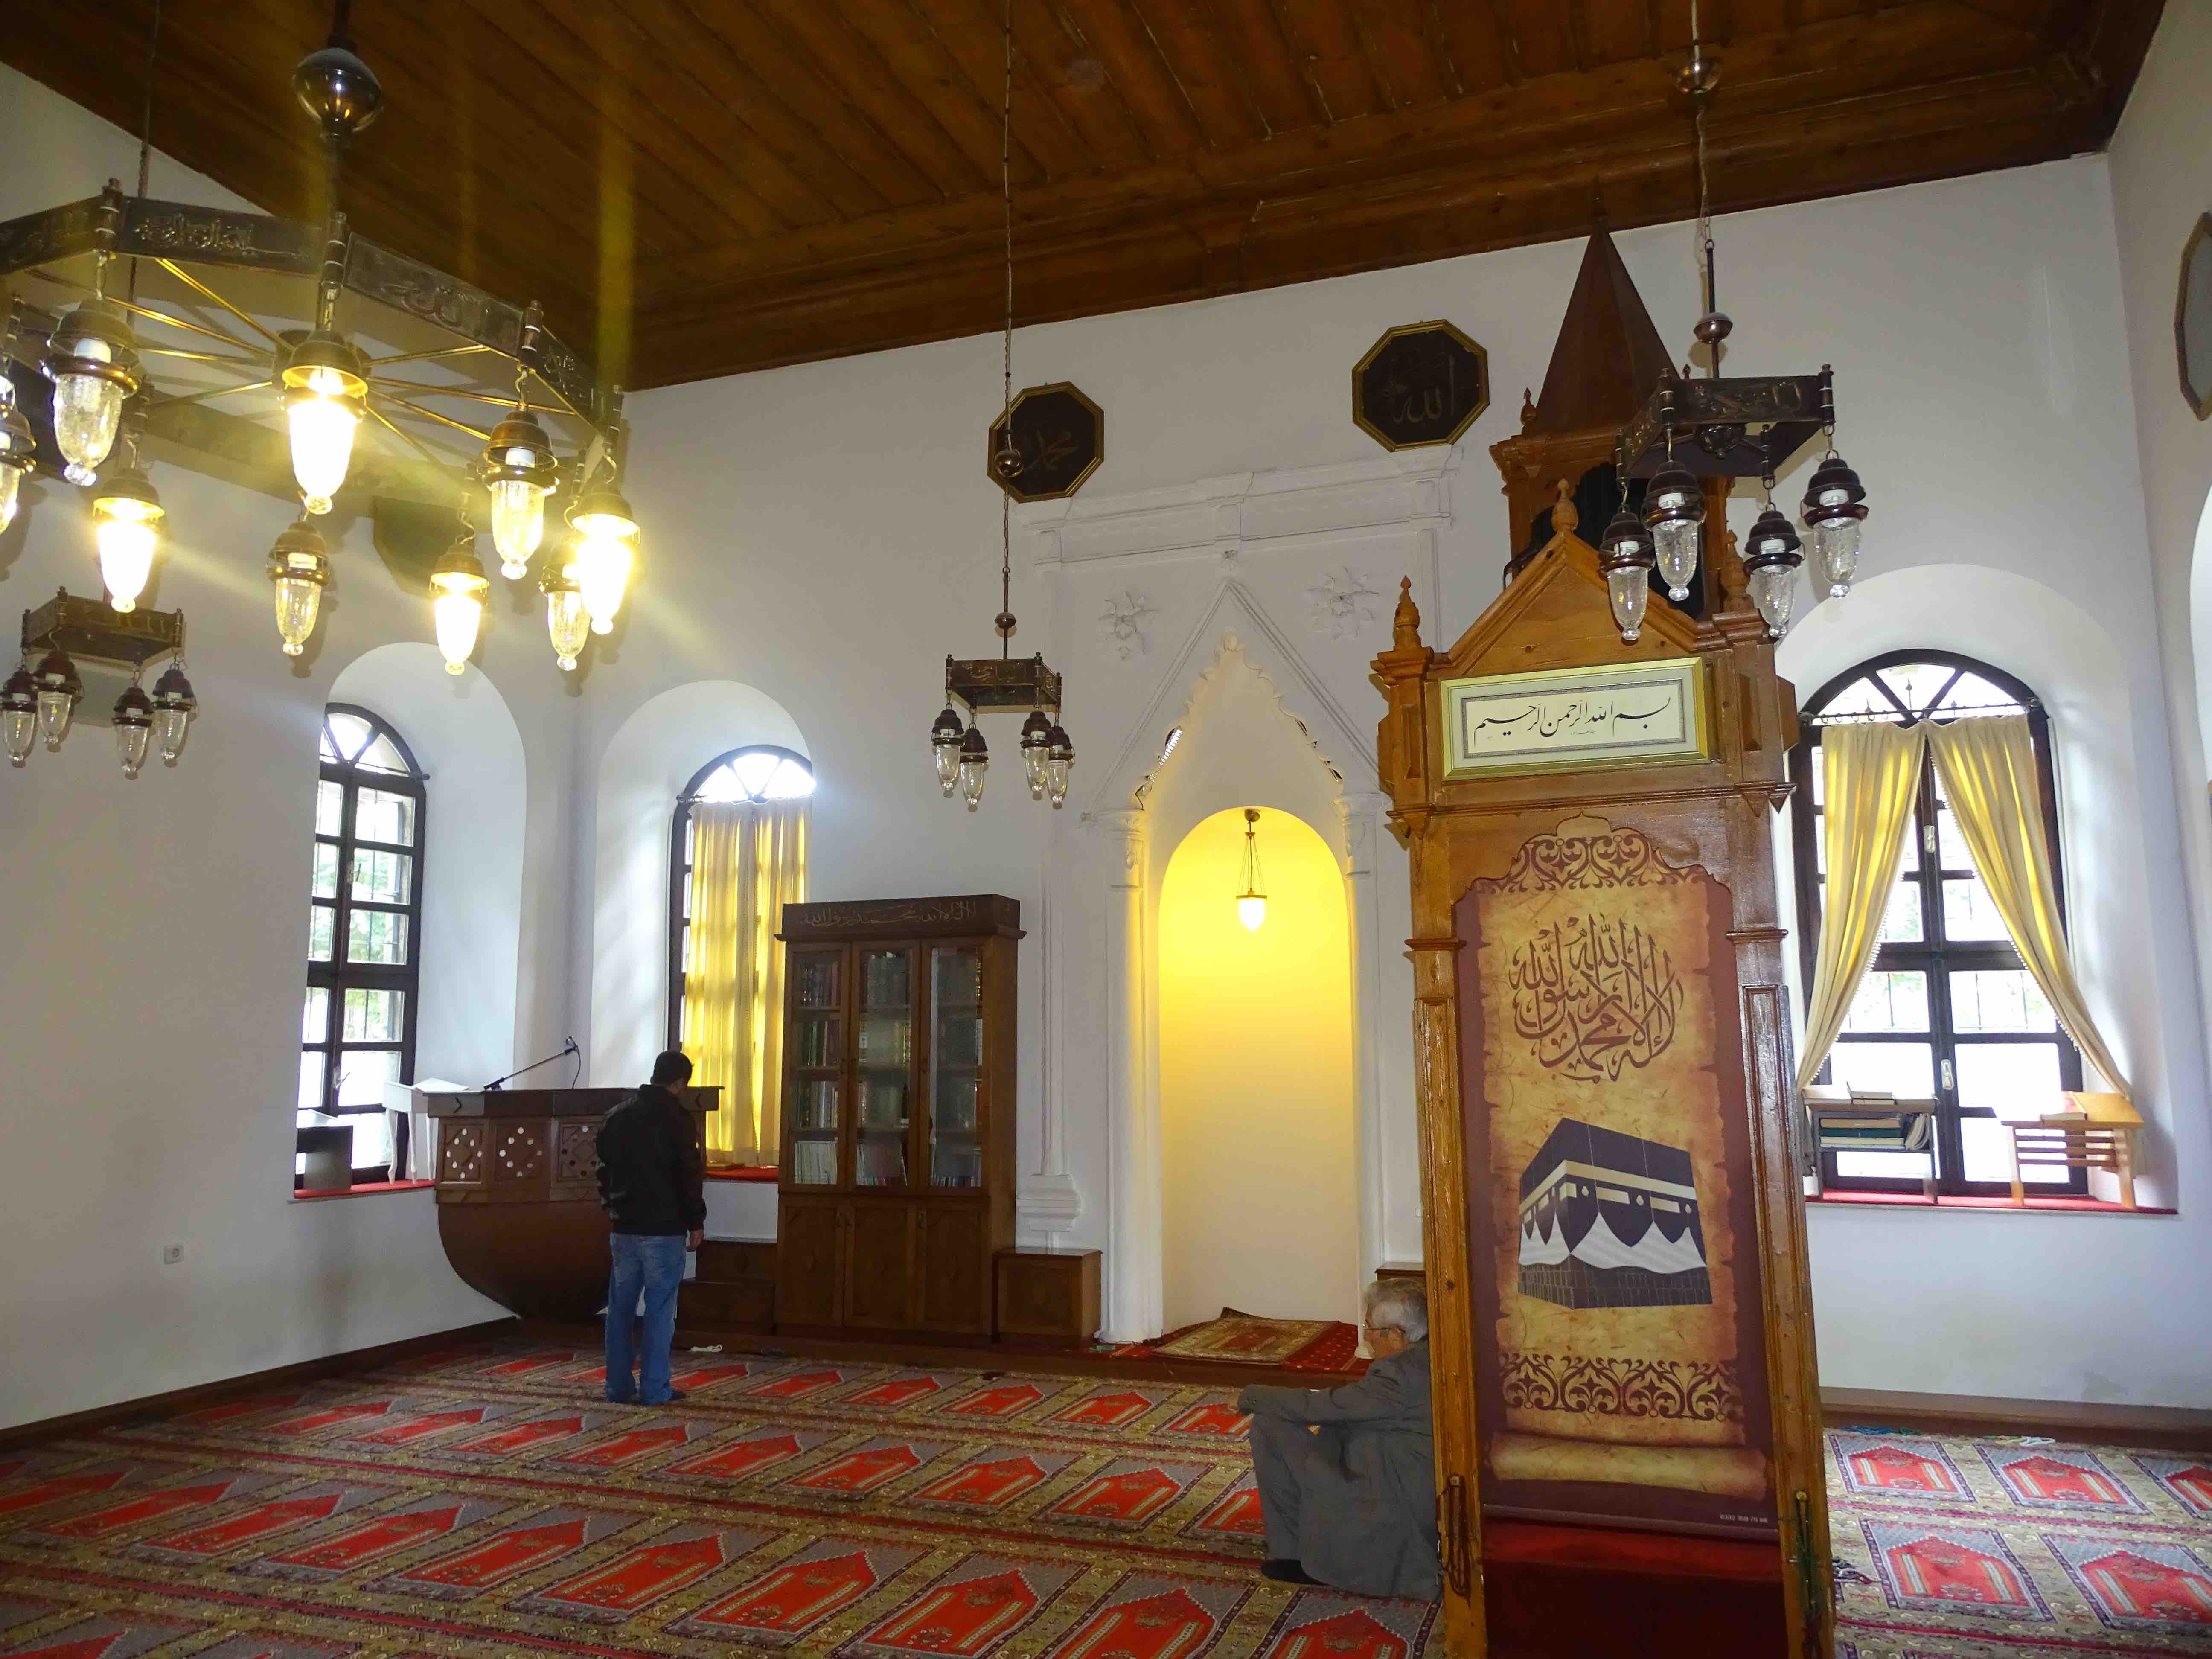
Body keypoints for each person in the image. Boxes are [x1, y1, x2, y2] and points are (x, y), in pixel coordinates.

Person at [1237, 1279, 1438, 1600]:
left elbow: (1323, 1407)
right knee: (1284, 1424)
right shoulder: (1429, 1356)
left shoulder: (1397, 1377)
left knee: (1269, 1424)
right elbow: (1348, 1403)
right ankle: (1296, 1549)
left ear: (1396, 1336)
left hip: (1388, 1493)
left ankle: (1295, 1556)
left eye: (1370, 1328)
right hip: (1403, 1473)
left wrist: (1252, 1396)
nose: (1366, 1336)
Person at [595, 1050, 706, 1406]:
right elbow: (688, 1176)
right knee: (660, 1310)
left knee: (620, 1309)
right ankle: (655, 1389)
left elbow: (603, 1170)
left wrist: (612, 1206)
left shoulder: (617, 1116)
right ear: (680, 1083)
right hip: (663, 1228)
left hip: (624, 1227)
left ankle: (618, 1387)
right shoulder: (679, 1120)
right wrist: (696, 1221)